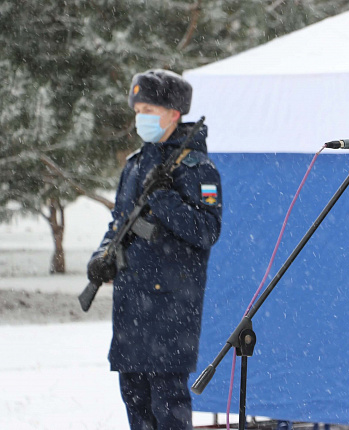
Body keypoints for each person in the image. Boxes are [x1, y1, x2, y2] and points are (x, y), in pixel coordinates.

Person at [86, 69, 222, 430]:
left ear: (174, 113)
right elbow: (118, 223)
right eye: (137, 109)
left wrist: (164, 199)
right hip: (131, 309)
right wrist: (101, 259)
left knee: (169, 407)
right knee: (135, 400)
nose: (139, 118)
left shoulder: (198, 168)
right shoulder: (134, 165)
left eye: (149, 109)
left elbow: (206, 230)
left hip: (170, 312)